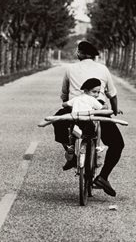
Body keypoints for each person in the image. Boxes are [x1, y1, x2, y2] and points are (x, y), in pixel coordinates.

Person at [53, 40, 125, 197]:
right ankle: (103, 177)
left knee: (58, 122)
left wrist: (68, 102)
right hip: (97, 112)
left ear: (79, 53)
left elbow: (64, 94)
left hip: (75, 110)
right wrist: (112, 111)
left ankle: (70, 150)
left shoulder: (70, 69)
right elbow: (112, 94)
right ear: (94, 55)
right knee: (117, 144)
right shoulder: (103, 69)